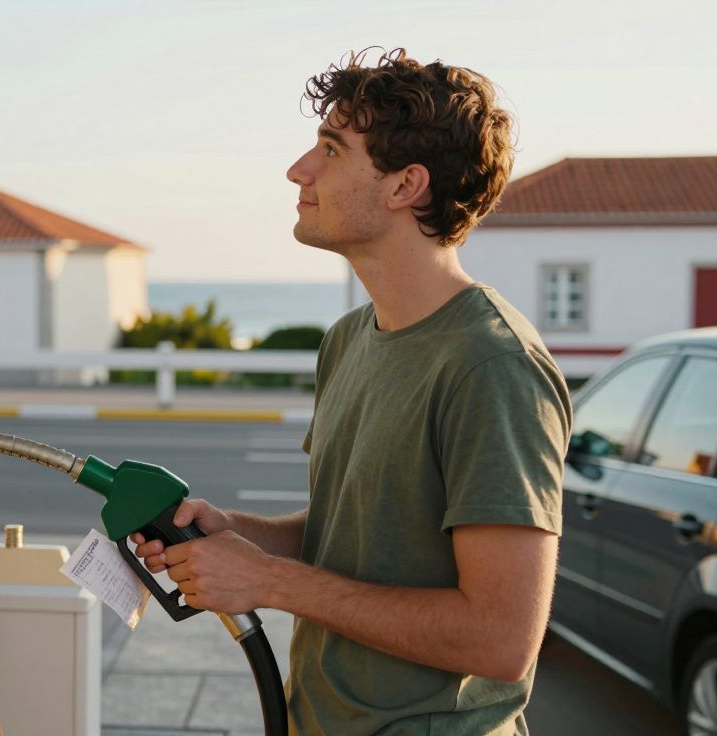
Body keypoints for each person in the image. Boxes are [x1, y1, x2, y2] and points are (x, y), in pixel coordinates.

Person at [132, 48, 571, 734]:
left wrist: (268, 582)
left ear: (406, 186)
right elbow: (355, 539)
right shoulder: (349, 338)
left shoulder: (491, 365)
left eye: (332, 149)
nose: (298, 169)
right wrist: (234, 534)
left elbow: (500, 640)